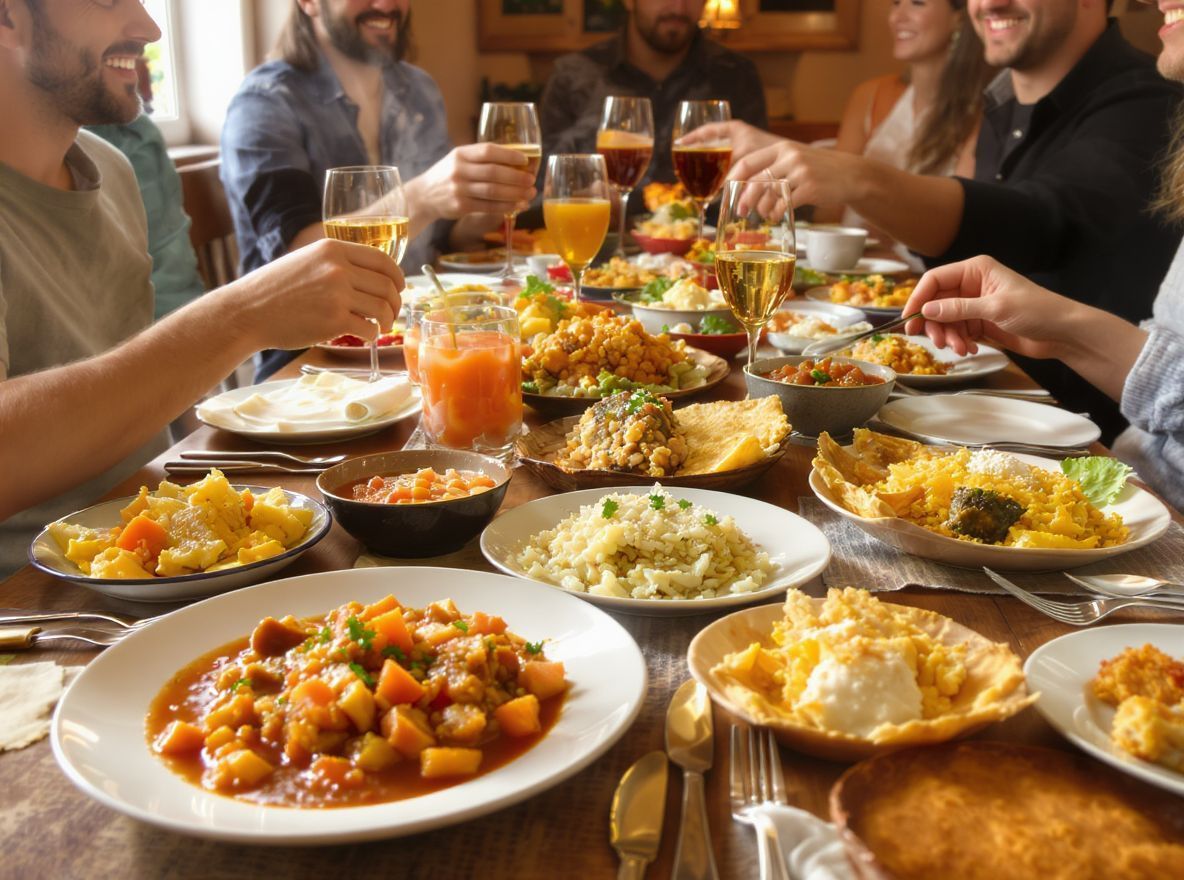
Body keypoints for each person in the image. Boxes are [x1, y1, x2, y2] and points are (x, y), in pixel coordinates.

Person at [0, 0, 403, 577]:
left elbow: (148, 400)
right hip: (34, 597)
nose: (148, 27)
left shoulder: (112, 170)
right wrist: (241, 315)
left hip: (167, 547)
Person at [685, 0, 1183, 442]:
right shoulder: (1001, 101)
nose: (989, 2)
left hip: (1077, 427)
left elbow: (1040, 223)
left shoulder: (1147, 97)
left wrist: (857, 178)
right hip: (983, 402)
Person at [221, 0, 536, 278]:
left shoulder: (419, 90)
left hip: (411, 312)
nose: (386, 4)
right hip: (306, 326)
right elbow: (294, 260)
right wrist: (422, 197)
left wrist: (484, 210)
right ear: (308, 2)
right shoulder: (265, 104)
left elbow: (443, 239)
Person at [539, 0, 767, 192]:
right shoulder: (573, 74)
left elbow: (757, 185)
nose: (678, 8)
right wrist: (586, 198)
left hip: (704, 231)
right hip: (599, 230)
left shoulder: (736, 75)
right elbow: (542, 187)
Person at [821, 0, 993, 227]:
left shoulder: (982, 113)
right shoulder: (869, 96)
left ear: (959, 17)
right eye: (895, 3)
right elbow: (830, 208)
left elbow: (962, 222)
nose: (897, 17)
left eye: (916, 3)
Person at [88, 112, 206, 319]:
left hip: (184, 314)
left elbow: (172, 270)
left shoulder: (137, 131)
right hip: (155, 326)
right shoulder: (107, 140)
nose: (150, 98)